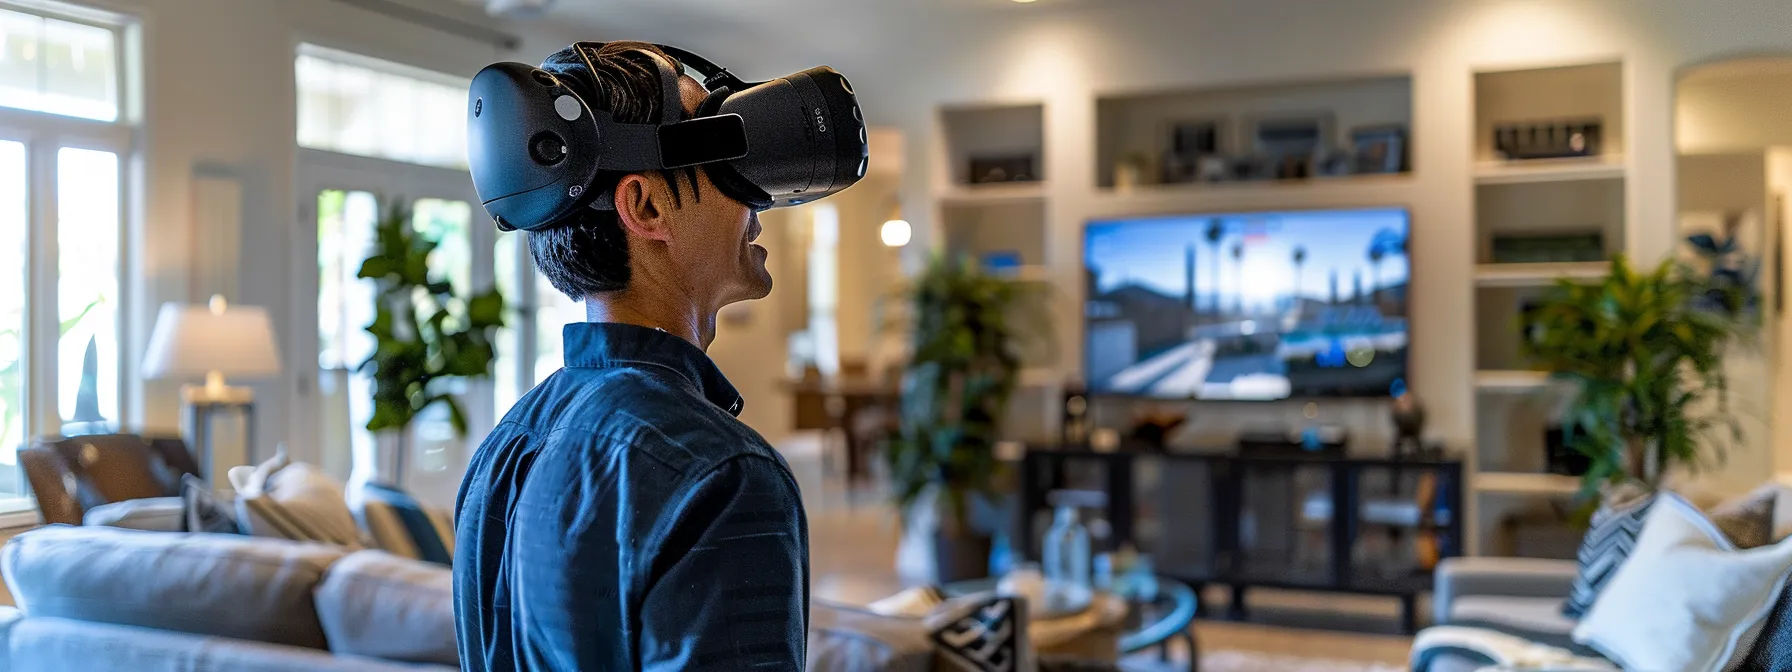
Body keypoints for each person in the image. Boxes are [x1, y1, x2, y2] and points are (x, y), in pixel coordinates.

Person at [454, 41, 807, 671]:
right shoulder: (721, 473)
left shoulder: (505, 449)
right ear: (645, 207)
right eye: (723, 154)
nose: (756, 198)